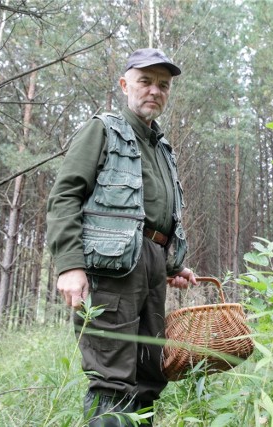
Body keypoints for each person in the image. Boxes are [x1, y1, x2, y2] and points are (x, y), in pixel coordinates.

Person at [46, 48, 196, 427]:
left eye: (163, 85)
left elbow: (155, 216)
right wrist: (70, 265)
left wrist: (173, 265)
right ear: (124, 83)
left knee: (150, 374)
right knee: (112, 377)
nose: (155, 91)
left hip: (152, 266)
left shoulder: (162, 148)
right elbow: (65, 196)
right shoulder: (103, 130)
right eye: (145, 81)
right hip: (112, 271)